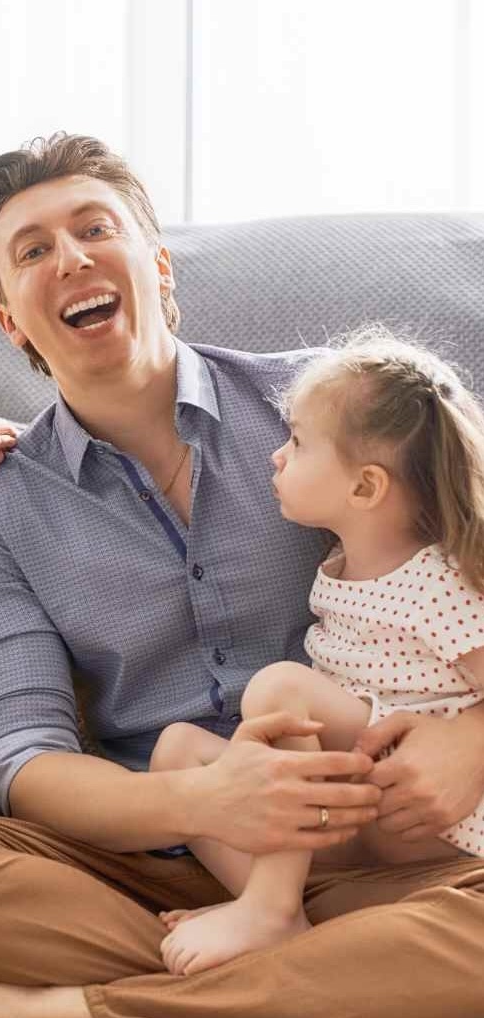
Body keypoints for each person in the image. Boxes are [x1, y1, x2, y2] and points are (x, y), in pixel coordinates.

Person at [0, 133, 484, 1018]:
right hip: (150, 866)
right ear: (10, 321)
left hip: (400, 846)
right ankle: (316, 980)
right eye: (33, 250)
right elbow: (28, 763)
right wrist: (206, 804)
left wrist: (471, 737)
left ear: (157, 268)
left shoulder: (325, 403)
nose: (71, 257)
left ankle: (74, 1013)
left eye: (94, 228)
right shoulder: (0, 508)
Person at [149, 329, 484, 975]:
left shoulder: (439, 580)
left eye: (298, 442)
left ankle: (270, 908)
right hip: (360, 807)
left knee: (281, 689)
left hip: (438, 814)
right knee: (178, 756)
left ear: (364, 489)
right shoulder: (339, 566)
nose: (276, 457)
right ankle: (279, 913)